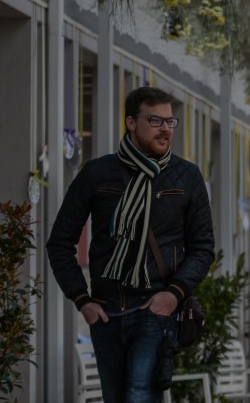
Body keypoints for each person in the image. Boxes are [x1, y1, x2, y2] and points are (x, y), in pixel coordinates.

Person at [47, 86, 214, 403]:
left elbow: (203, 247)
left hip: (155, 309)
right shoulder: (98, 173)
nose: (165, 128)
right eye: (155, 120)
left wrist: (174, 293)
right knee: (115, 397)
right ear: (131, 122)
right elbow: (60, 242)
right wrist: (82, 299)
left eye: (169, 121)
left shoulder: (187, 176)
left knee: (139, 395)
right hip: (107, 312)